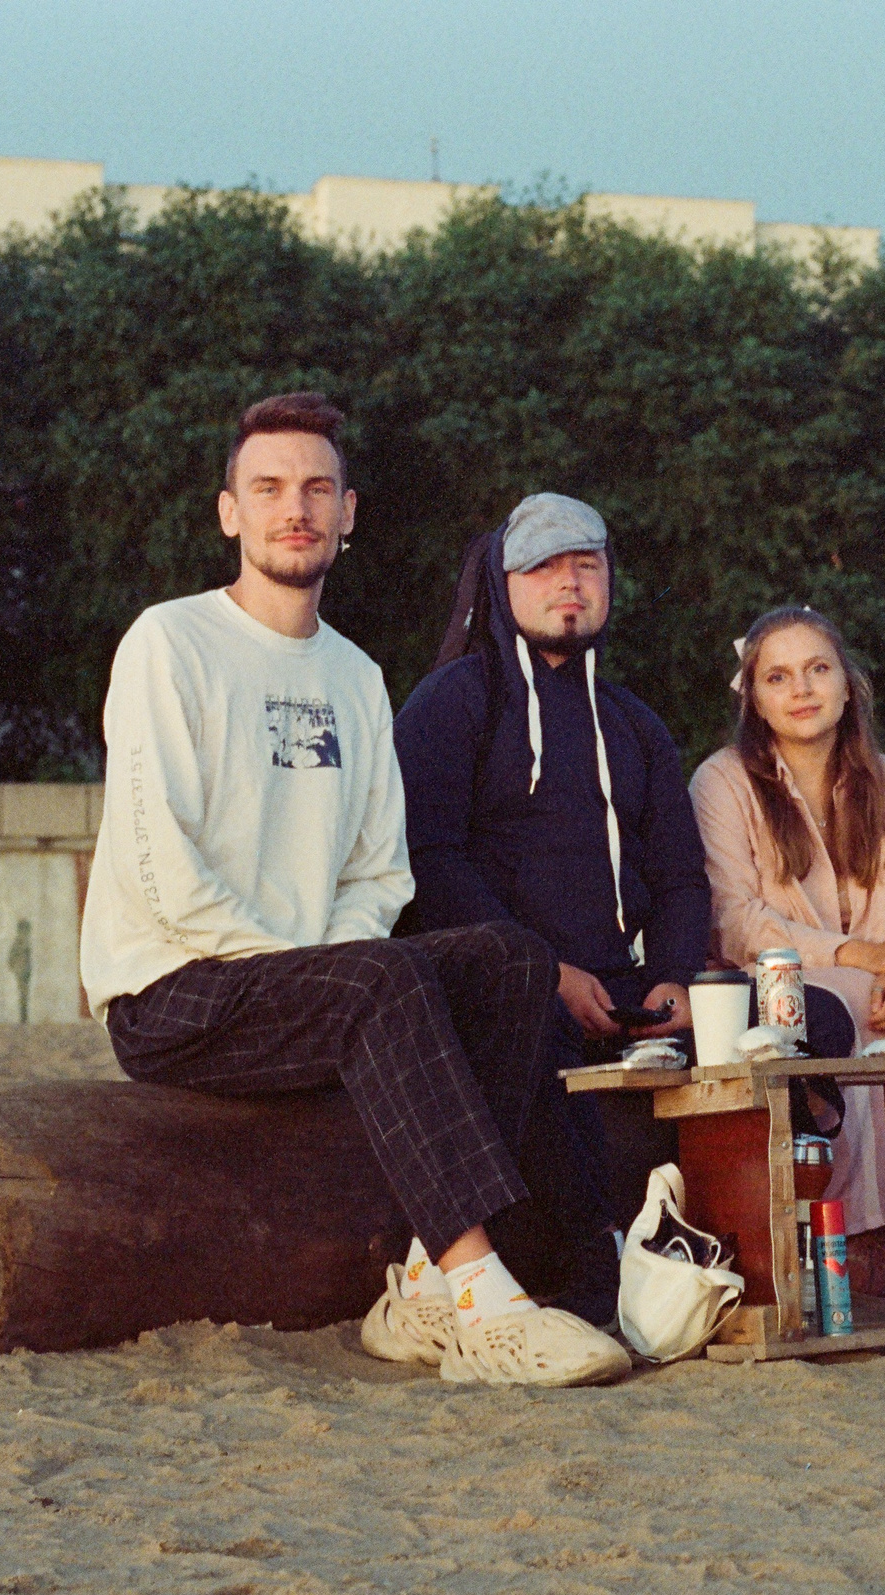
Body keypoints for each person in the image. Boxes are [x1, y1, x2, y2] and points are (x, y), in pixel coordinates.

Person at [80, 393, 630, 1388]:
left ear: (348, 514)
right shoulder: (171, 643)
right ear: (228, 513)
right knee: (377, 982)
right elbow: (164, 867)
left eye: (317, 489)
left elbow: (378, 874)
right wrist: (322, 972)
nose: (296, 508)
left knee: (510, 960)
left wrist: (338, 964)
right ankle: (489, 1302)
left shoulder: (356, 677)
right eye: (270, 488)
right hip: (178, 989)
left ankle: (422, 1287)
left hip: (312, 992)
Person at [391, 497, 854, 1240]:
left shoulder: (633, 724)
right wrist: (547, 972)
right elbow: (428, 863)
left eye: (586, 564)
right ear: (503, 582)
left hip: (630, 995)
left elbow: (677, 878)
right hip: (510, 990)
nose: (568, 582)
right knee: (530, 1033)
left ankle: (753, 1228)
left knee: (815, 1015)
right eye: (543, 566)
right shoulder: (451, 703)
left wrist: (673, 979)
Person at [690, 606, 885, 1250]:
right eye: (778, 677)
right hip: (775, 989)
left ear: (848, 683)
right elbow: (736, 918)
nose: (801, 690)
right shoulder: (722, 782)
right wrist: (863, 956)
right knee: (852, 1004)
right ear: (756, 701)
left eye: (817, 669)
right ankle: (860, 1238)